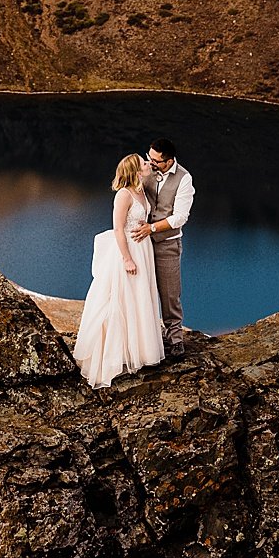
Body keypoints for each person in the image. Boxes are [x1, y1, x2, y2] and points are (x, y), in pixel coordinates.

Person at [73, 153, 165, 387]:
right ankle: (116, 355)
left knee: (140, 297)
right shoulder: (124, 195)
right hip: (129, 251)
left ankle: (142, 350)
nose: (148, 164)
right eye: (144, 163)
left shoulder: (141, 189)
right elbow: (117, 229)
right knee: (120, 300)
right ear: (135, 170)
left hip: (143, 249)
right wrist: (126, 259)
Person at [143, 136, 194, 355]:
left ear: (170, 161)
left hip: (167, 244)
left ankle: (175, 338)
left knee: (170, 293)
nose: (151, 164)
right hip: (141, 243)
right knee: (140, 290)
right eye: (150, 158)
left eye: (156, 161)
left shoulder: (184, 179)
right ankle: (147, 336)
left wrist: (152, 229)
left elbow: (180, 217)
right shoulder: (145, 170)